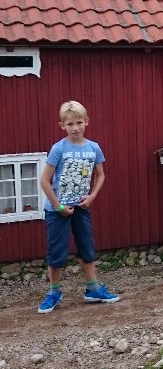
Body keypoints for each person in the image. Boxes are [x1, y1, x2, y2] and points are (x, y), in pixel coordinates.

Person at [37, 101, 119, 314]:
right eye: (70, 124)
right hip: (58, 210)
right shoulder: (59, 148)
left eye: (79, 122)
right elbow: (44, 181)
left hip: (81, 207)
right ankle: (54, 292)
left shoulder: (93, 148)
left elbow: (100, 174)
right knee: (57, 252)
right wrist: (58, 206)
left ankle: (93, 289)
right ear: (62, 125)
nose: (75, 128)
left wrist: (92, 196)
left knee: (87, 248)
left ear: (86, 122)